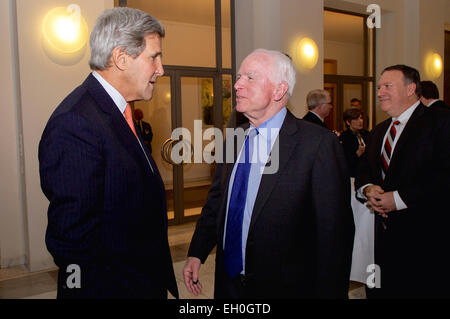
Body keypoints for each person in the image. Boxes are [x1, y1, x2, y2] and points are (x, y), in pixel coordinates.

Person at [183, 49, 354, 299]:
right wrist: (197, 252)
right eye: (239, 77)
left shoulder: (317, 144)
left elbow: (334, 233)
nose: (237, 85)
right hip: (228, 285)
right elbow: (218, 202)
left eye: (250, 78)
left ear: (278, 90)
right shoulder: (234, 139)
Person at [38, 8, 178, 299]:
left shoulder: (118, 112)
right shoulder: (76, 122)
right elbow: (72, 243)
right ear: (121, 57)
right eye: (154, 57)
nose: (161, 69)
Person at [355, 65, 450, 298]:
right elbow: (364, 171)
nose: (379, 93)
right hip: (382, 244)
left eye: (387, 86)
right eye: (379, 87)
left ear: (411, 89)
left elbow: (444, 175)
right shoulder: (379, 131)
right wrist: (368, 189)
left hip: (426, 242)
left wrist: (398, 199)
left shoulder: (440, 122)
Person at [339, 108, 369, 178]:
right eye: (356, 119)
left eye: (361, 118)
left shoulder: (367, 134)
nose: (360, 121)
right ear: (348, 122)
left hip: (367, 173)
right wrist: (358, 153)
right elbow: (344, 162)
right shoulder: (344, 137)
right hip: (353, 175)